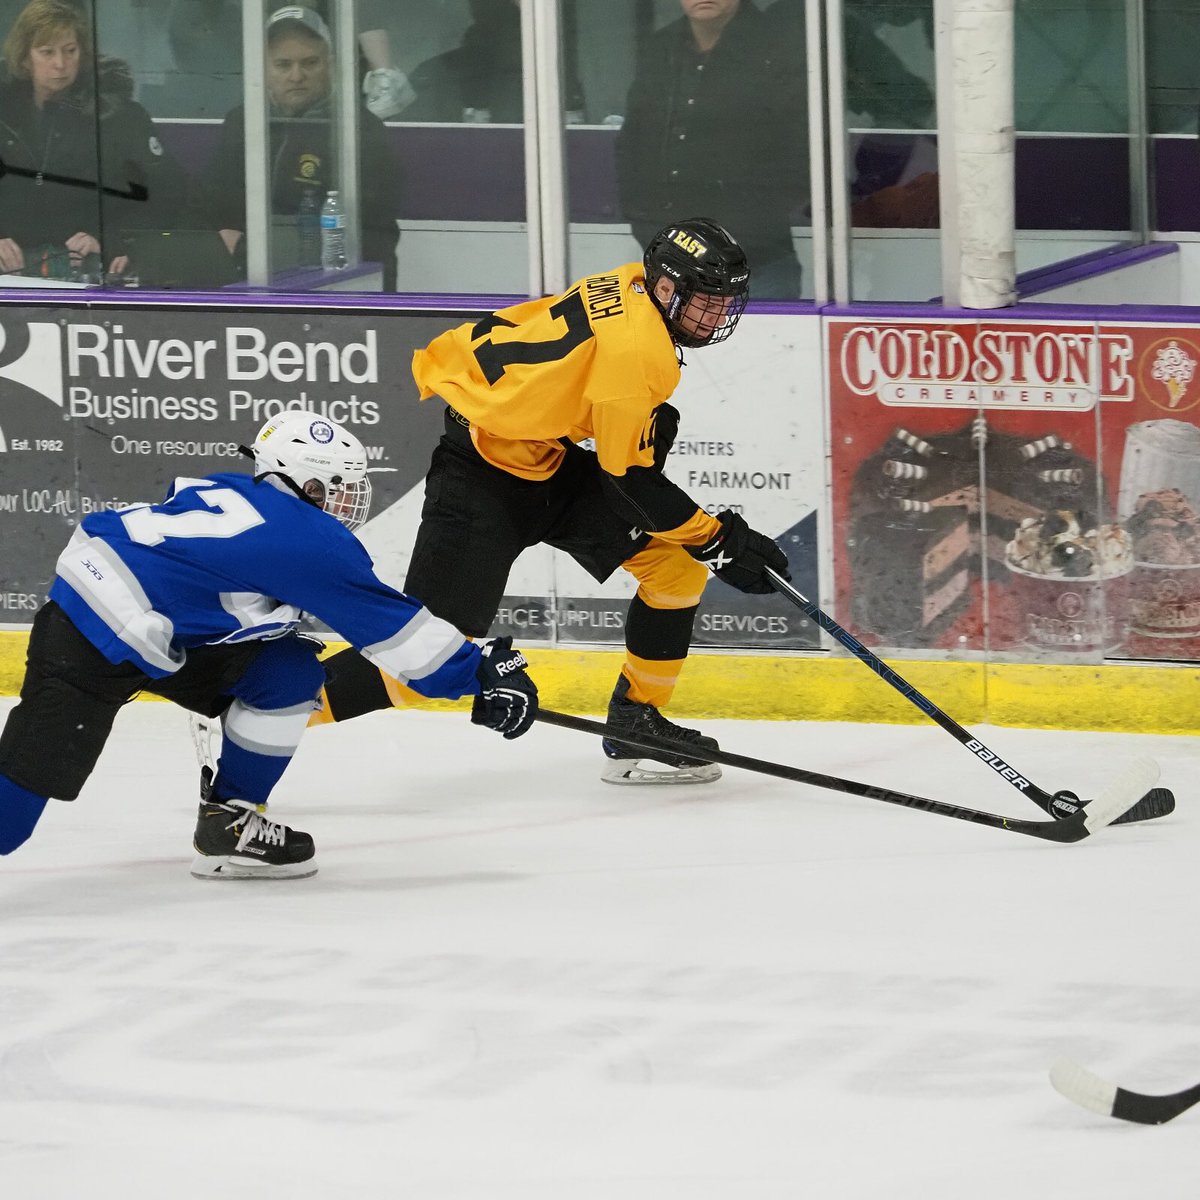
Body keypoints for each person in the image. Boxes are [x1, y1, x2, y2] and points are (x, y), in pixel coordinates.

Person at [311, 217, 790, 786]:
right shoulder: (640, 352)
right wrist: (717, 540)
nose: (717, 316)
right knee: (424, 661)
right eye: (707, 302)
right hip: (480, 477)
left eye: (725, 302)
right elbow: (631, 484)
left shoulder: (631, 282)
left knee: (675, 569)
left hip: (545, 461)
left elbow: (606, 432)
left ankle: (636, 722)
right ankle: (266, 706)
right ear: (666, 288)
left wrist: (700, 536)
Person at [0, 411, 539, 879]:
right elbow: (395, 633)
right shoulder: (309, 540)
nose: (350, 502)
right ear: (309, 484)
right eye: (342, 487)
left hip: (162, 628)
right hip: (90, 633)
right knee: (19, 805)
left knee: (286, 671)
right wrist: (479, 673)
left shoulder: (235, 491)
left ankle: (229, 822)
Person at [616, 0, 806, 300]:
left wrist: (757, 220)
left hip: (758, 259)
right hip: (674, 262)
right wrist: (645, 225)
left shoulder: (777, 47)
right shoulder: (661, 48)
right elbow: (635, 142)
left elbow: (799, 143)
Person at [205, 5, 401, 289]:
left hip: (342, 286)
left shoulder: (358, 129)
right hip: (251, 280)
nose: (296, 76)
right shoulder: (241, 122)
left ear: (330, 64)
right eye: (283, 65)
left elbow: (372, 230)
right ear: (263, 68)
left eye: (309, 63)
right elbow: (215, 202)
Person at [0, 0, 193, 281]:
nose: (60, 64)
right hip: (11, 271)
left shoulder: (118, 115)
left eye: (70, 51)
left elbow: (166, 195)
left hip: (93, 270)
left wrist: (109, 239)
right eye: (47, 52)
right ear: (24, 58)